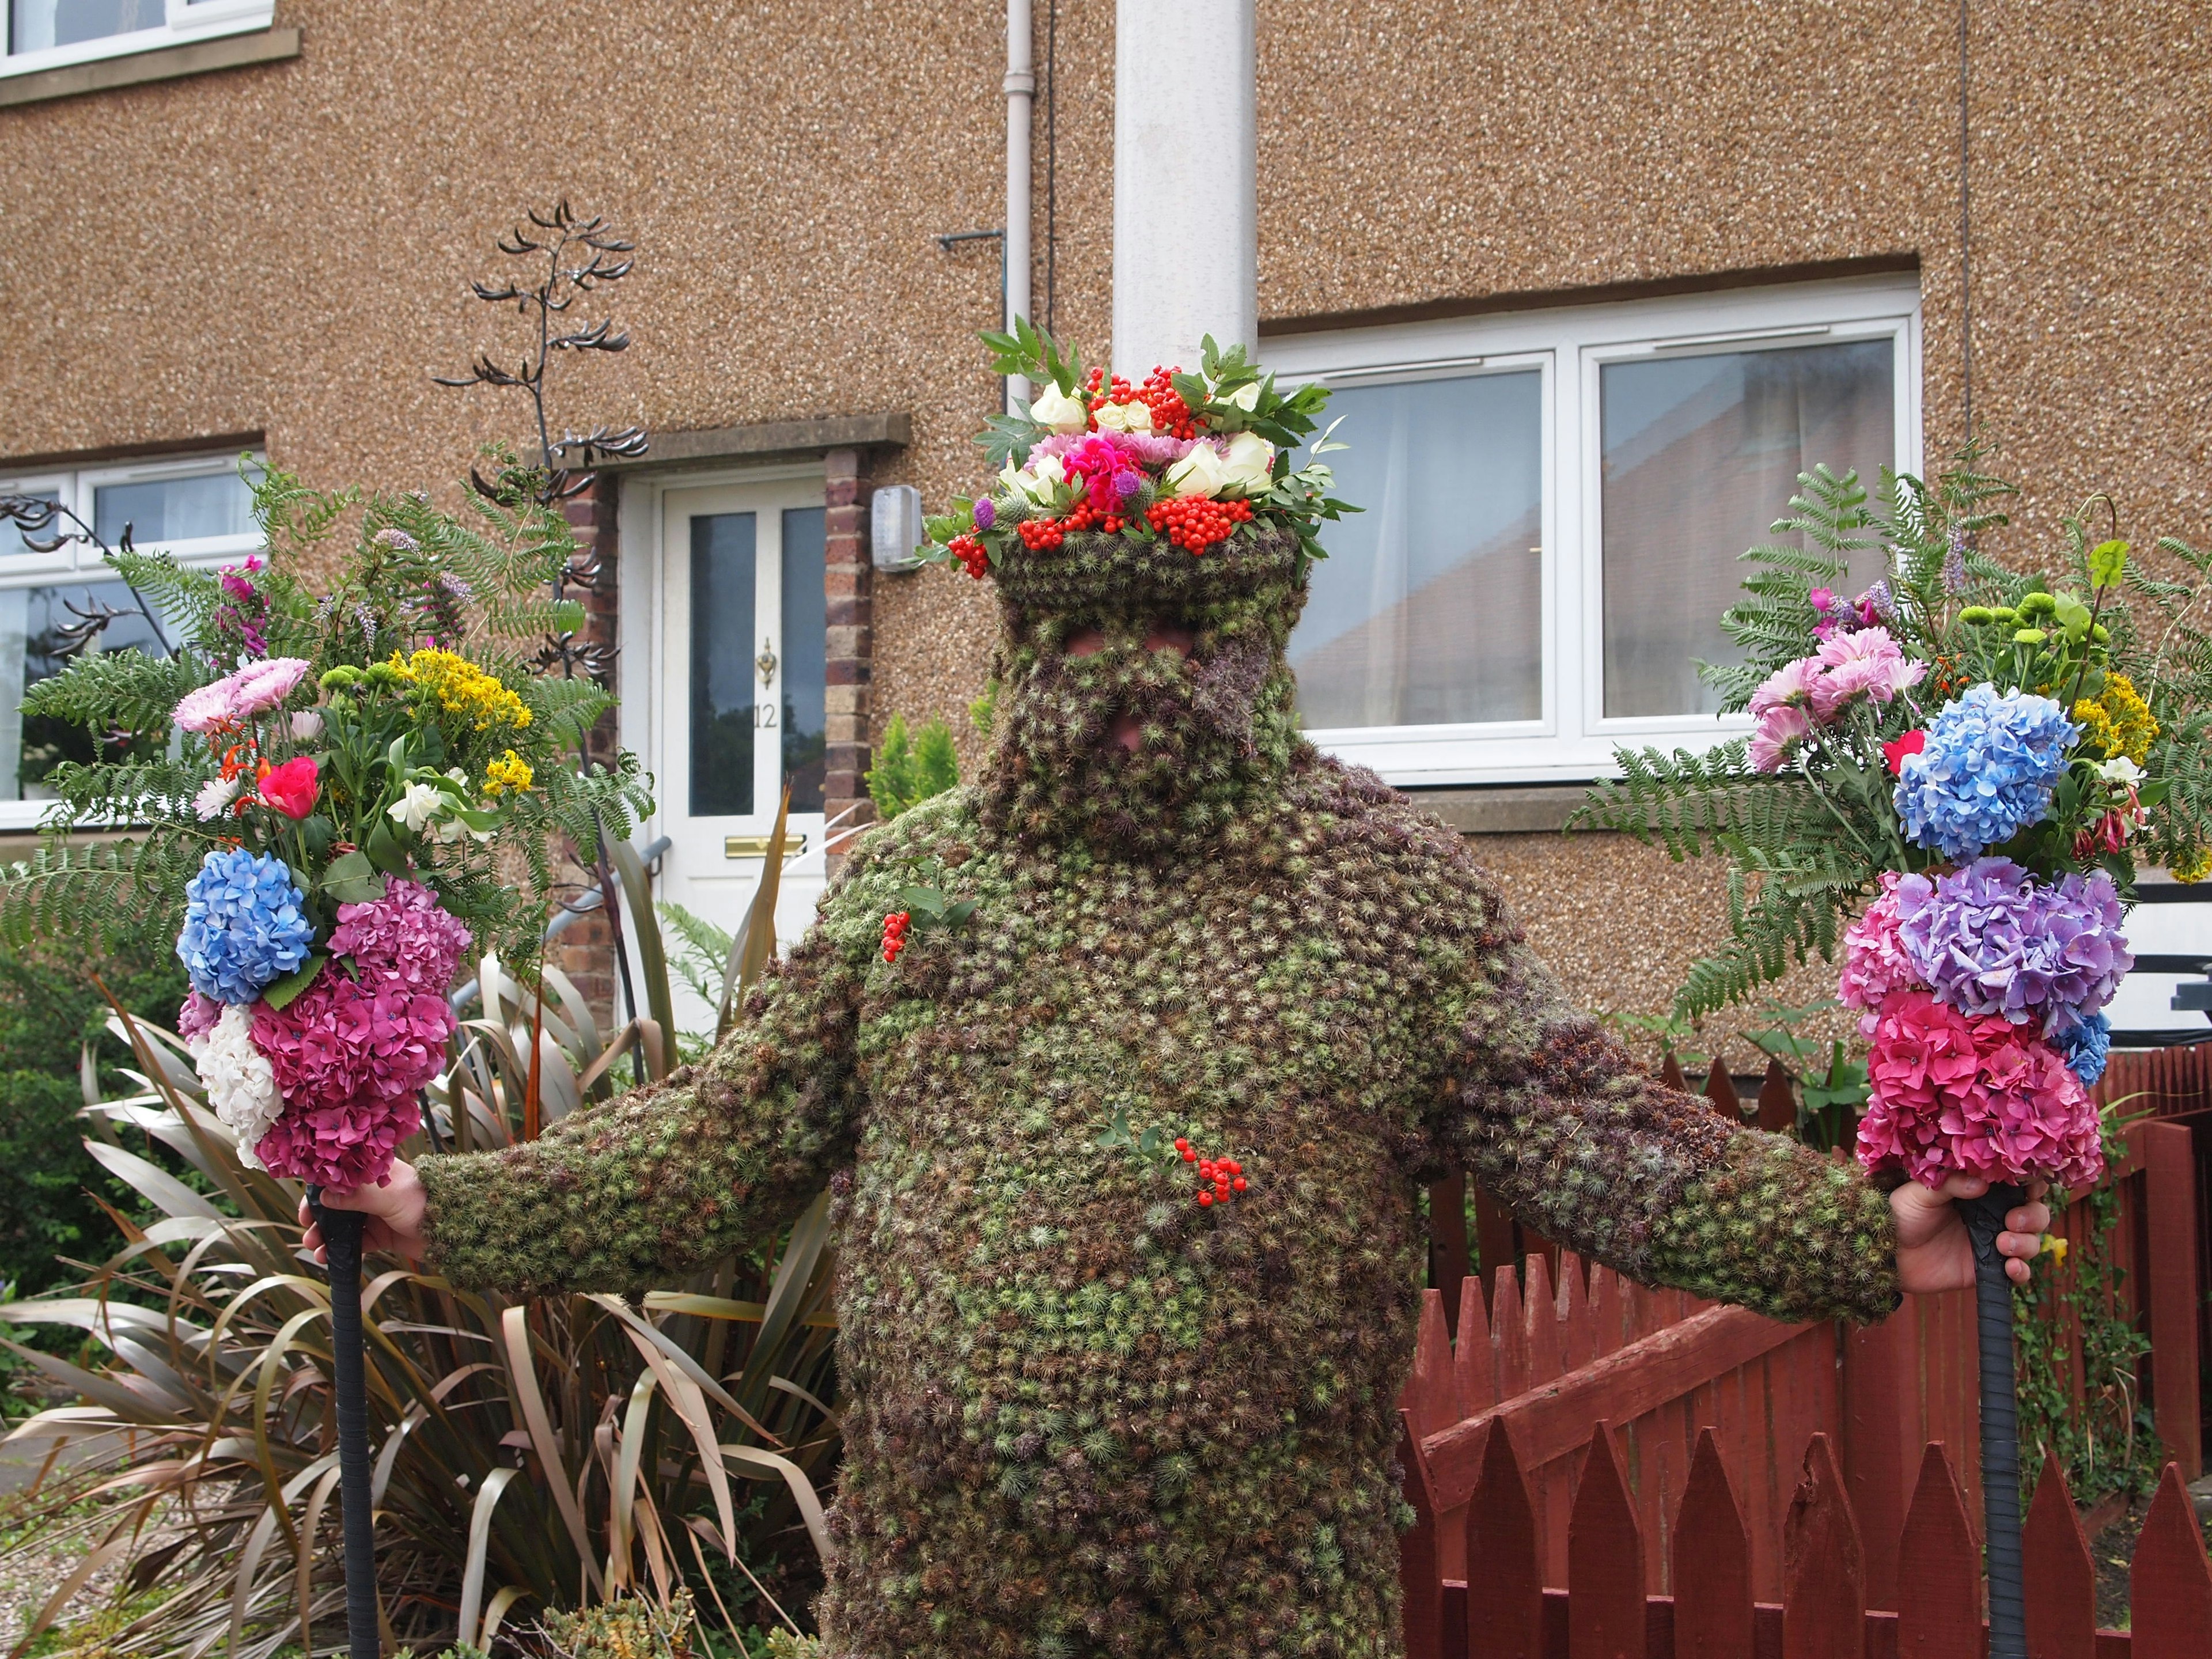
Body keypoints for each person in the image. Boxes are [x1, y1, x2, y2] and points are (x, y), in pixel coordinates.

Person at [310, 525, 2047, 1657]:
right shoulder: (923, 891)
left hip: (1267, 1599)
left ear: (1260, 626)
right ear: (1017, 637)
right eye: (1081, 629)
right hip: (946, 1606)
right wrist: (434, 1203)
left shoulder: (1383, 889)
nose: (1132, 673)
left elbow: (1591, 1129)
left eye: (1182, 622)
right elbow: (714, 1154)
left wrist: (1854, 1233)